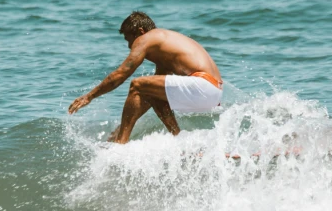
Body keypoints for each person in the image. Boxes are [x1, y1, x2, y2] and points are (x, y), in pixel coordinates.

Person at [68, 11, 223, 144]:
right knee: (147, 89)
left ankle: (120, 143)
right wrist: (123, 126)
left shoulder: (147, 37)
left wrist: (89, 96)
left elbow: (122, 73)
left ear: (141, 32)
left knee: (137, 84)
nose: (130, 46)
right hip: (212, 92)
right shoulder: (165, 47)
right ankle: (178, 138)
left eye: (129, 40)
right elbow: (151, 95)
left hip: (202, 85)